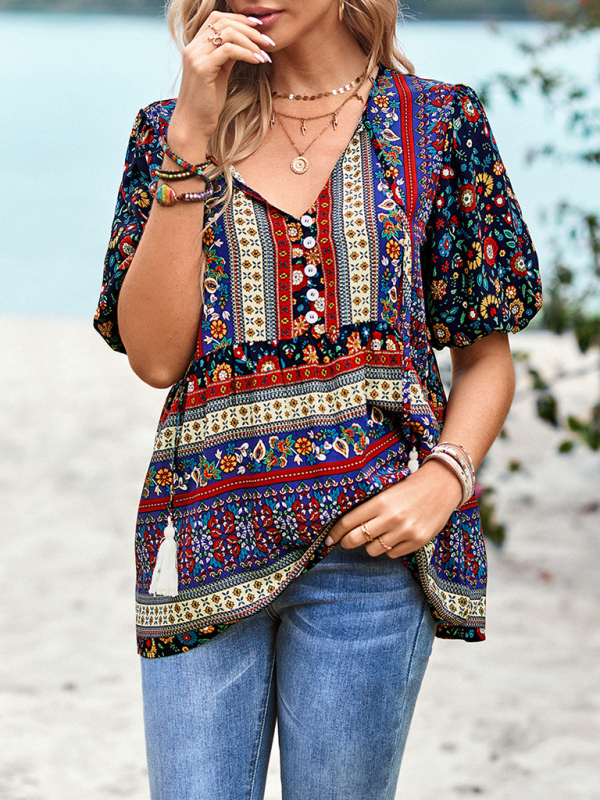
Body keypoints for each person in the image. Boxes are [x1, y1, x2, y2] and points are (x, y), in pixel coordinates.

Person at [94, 1, 542, 798]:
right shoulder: (169, 130)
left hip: (370, 559)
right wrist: (192, 136)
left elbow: (485, 356)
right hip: (204, 542)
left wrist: (444, 478)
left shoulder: (438, 124)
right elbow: (156, 358)